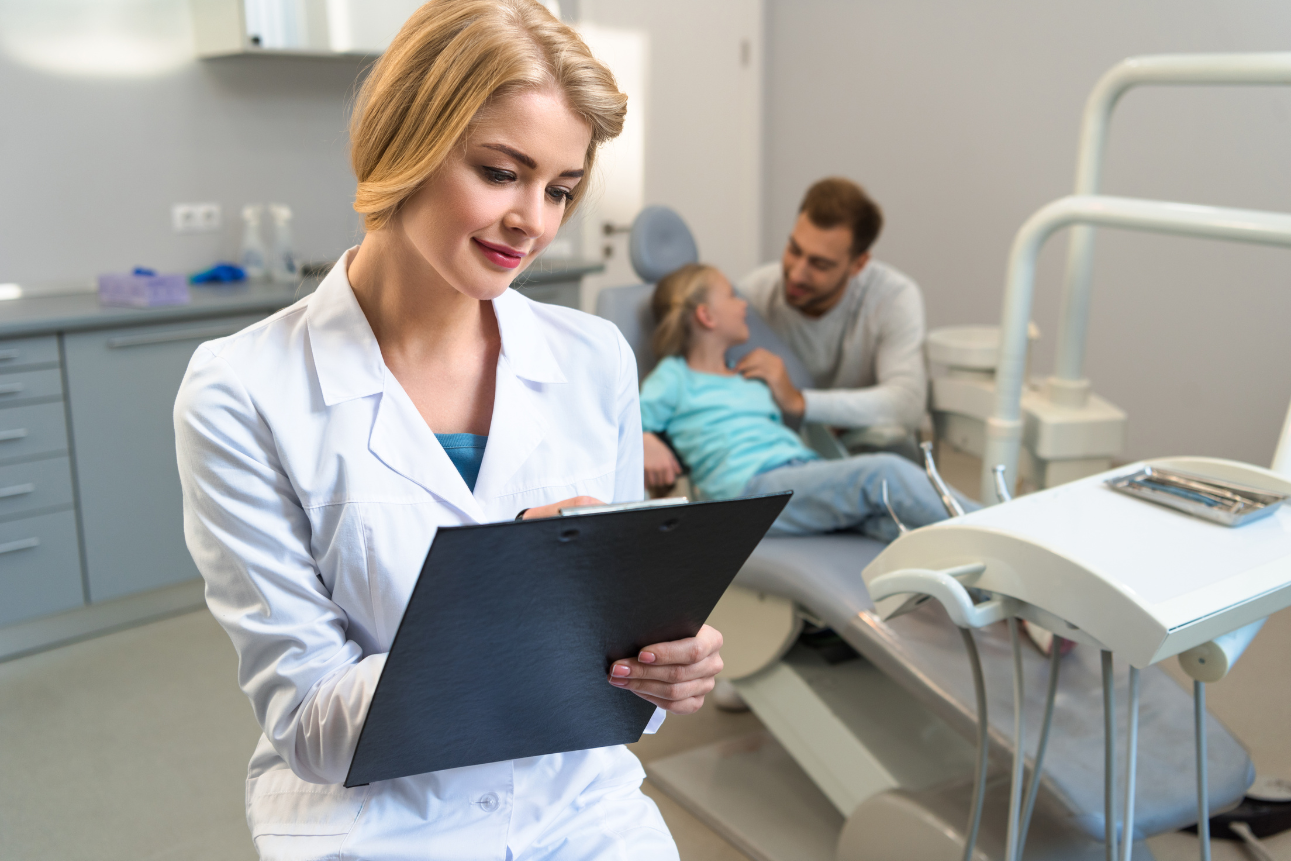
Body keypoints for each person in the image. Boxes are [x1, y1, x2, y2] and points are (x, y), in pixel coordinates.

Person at [173, 3, 720, 858]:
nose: (533, 221)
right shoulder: (241, 390)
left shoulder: (593, 359)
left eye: (561, 189)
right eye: (502, 172)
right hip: (379, 816)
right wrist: (507, 598)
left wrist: (660, 666)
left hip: (573, 800)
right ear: (407, 144)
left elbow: (611, 672)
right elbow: (312, 727)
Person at [640, 263, 968, 540]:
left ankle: (1004, 593)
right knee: (883, 474)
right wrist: (645, 440)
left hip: (797, 473)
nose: (744, 305)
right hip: (746, 494)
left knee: (904, 529)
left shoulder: (745, 374)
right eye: (732, 296)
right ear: (706, 316)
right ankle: (1001, 527)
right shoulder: (674, 378)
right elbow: (619, 422)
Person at [733, 177, 928, 456]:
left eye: (819, 264)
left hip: (868, 447)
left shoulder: (893, 297)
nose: (797, 273)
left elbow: (907, 402)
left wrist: (802, 403)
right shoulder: (755, 295)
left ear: (858, 264)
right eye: (794, 250)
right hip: (779, 450)